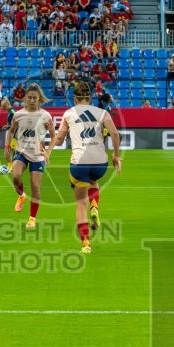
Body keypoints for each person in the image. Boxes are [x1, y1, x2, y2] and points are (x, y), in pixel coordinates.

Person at [45, 82, 122, 254]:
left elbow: (59, 140)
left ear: (74, 97)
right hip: (100, 164)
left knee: (80, 204)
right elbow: (116, 134)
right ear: (91, 97)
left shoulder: (68, 113)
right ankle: (94, 205)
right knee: (93, 180)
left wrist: (49, 141)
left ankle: (86, 243)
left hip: (79, 163)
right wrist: (116, 155)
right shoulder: (102, 112)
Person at [4, 85, 57, 228]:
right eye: (29, 97)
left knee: (35, 186)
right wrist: (7, 146)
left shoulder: (45, 116)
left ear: (39, 99)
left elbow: (53, 136)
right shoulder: (18, 115)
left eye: (35, 97)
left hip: (38, 155)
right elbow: (11, 131)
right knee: (15, 176)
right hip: (21, 151)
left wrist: (48, 152)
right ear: (25, 99)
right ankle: (21, 196)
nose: (32, 100)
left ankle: (32, 218)